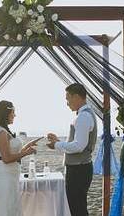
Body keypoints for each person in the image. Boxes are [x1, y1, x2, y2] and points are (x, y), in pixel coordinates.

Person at [46, 83, 98, 216]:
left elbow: (79, 146)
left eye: (68, 99)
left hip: (78, 170)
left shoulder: (83, 116)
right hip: (80, 168)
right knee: (77, 206)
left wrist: (56, 145)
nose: (67, 103)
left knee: (77, 209)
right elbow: (78, 143)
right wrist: (59, 141)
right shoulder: (85, 115)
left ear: (76, 97)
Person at [0, 101, 39, 216]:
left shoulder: (5, 130)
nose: (14, 115)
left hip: (11, 175)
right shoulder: (0, 132)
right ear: (6, 113)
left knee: (11, 208)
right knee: (3, 209)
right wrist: (26, 153)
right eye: (13, 112)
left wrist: (28, 145)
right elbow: (6, 158)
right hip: (3, 176)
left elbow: (14, 153)